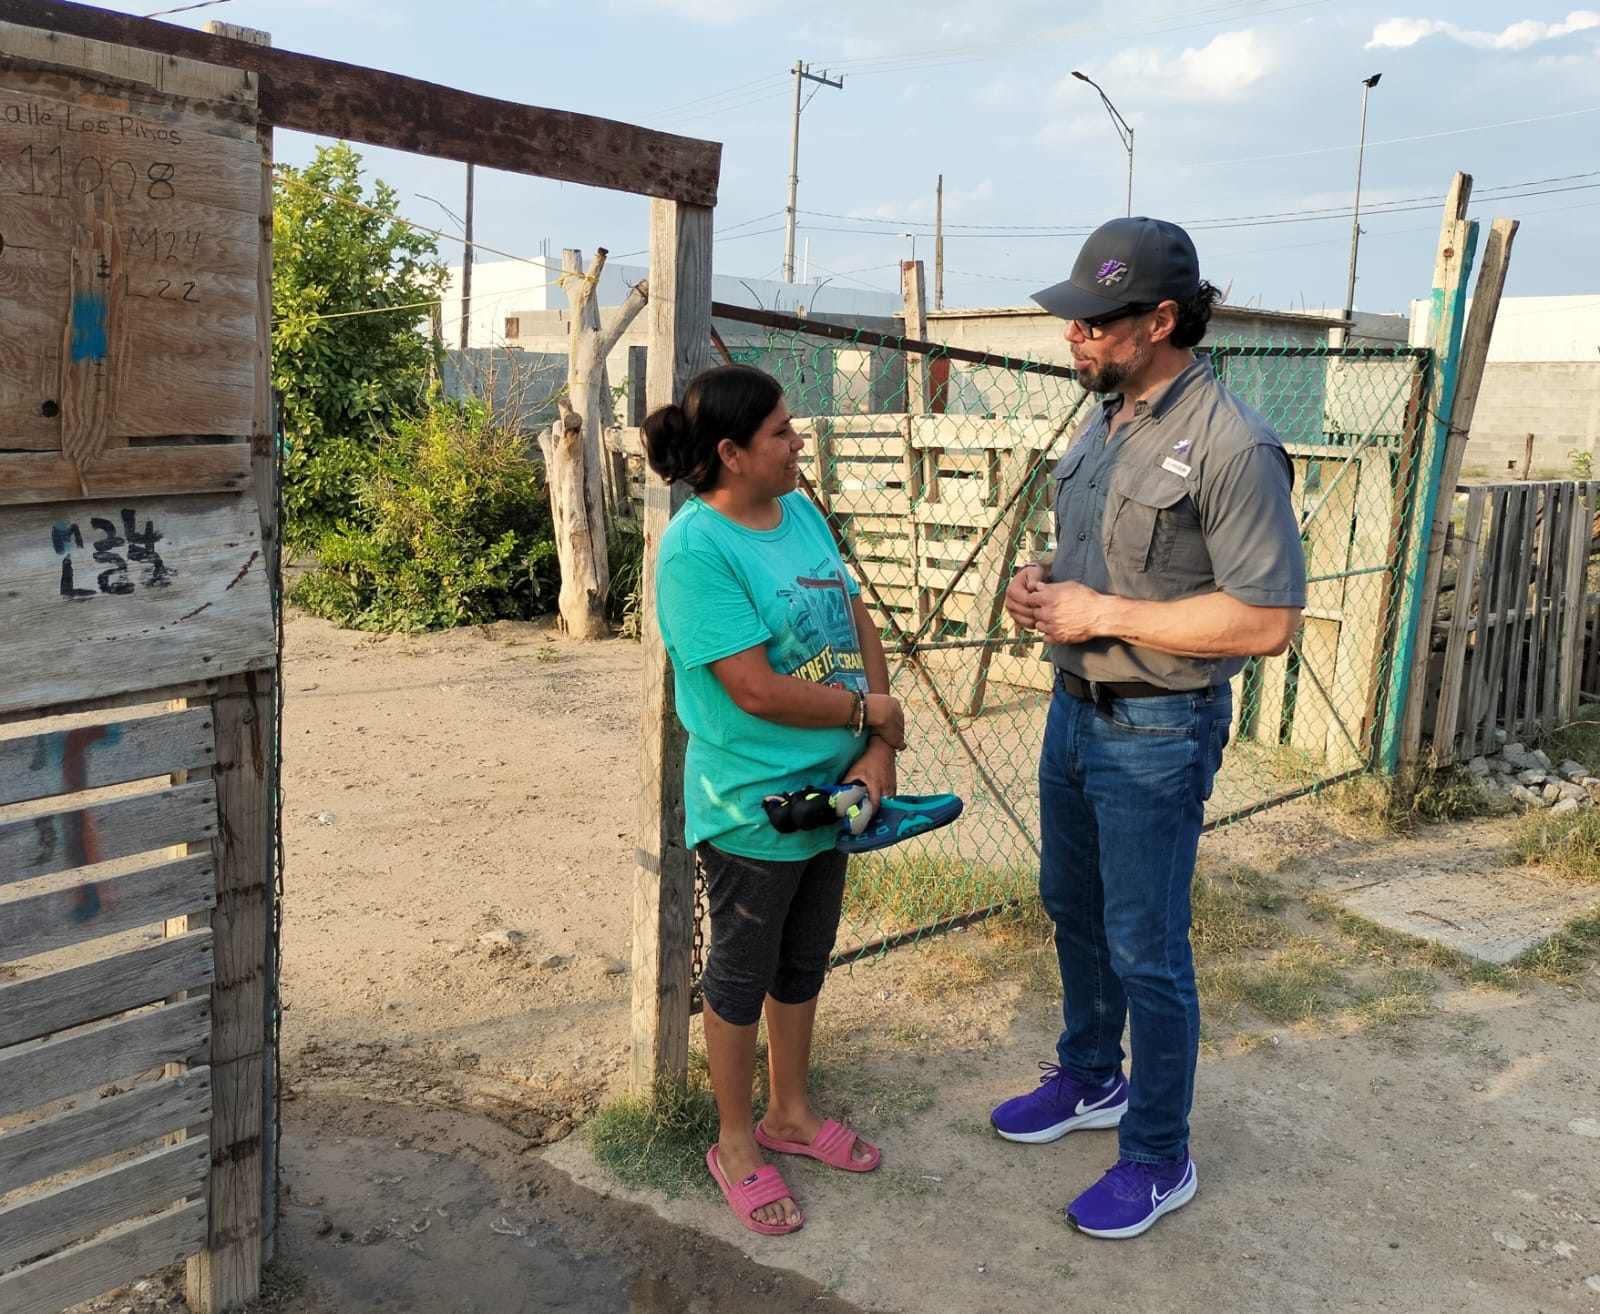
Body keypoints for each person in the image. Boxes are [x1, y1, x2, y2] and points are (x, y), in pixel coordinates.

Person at [989, 217, 1306, 1239]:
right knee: (1070, 911)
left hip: (1157, 730)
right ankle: (1090, 1077)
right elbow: (1102, 564)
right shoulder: (1108, 418)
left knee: (1147, 950)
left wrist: (1105, 616)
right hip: (1075, 713)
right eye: (1072, 320)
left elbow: (1264, 621)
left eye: (1094, 321)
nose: (1072, 337)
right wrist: (1041, 587)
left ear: (1160, 318)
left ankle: (1159, 1153)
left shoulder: (1230, 442)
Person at [642, 364, 903, 1237]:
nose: (800, 444)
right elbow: (750, 687)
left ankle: (791, 1112)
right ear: (731, 453)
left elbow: (852, 613)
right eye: (784, 433)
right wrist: (871, 712)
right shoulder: (694, 550)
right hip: (755, 804)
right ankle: (735, 1140)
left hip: (836, 791)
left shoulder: (796, 509)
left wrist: (877, 748)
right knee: (744, 974)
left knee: (803, 960)